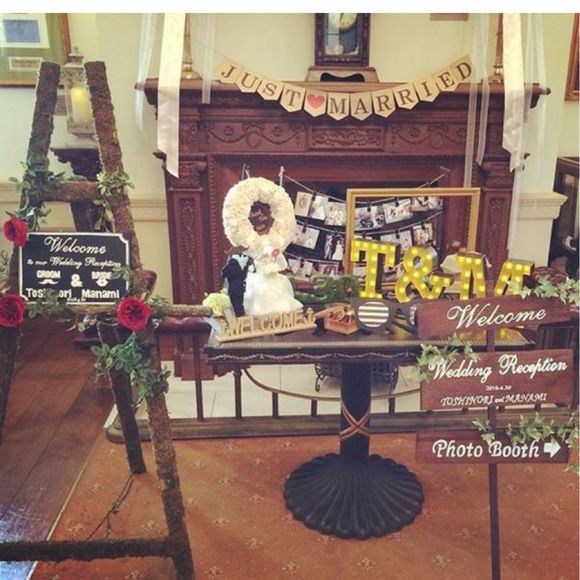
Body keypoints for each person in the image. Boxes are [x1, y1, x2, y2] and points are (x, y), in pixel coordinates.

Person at [244, 246, 302, 316]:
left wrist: (277, 255)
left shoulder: (274, 250)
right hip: (261, 279)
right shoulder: (254, 252)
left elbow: (283, 265)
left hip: (274, 278)